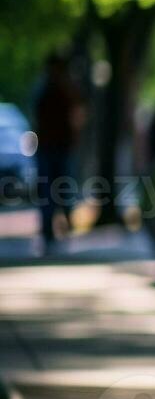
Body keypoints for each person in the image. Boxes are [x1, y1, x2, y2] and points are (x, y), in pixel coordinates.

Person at [32, 54, 83, 251]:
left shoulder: (65, 89)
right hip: (50, 146)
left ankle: (62, 223)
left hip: (61, 146)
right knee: (50, 190)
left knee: (61, 188)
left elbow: (77, 113)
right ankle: (49, 228)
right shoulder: (45, 89)